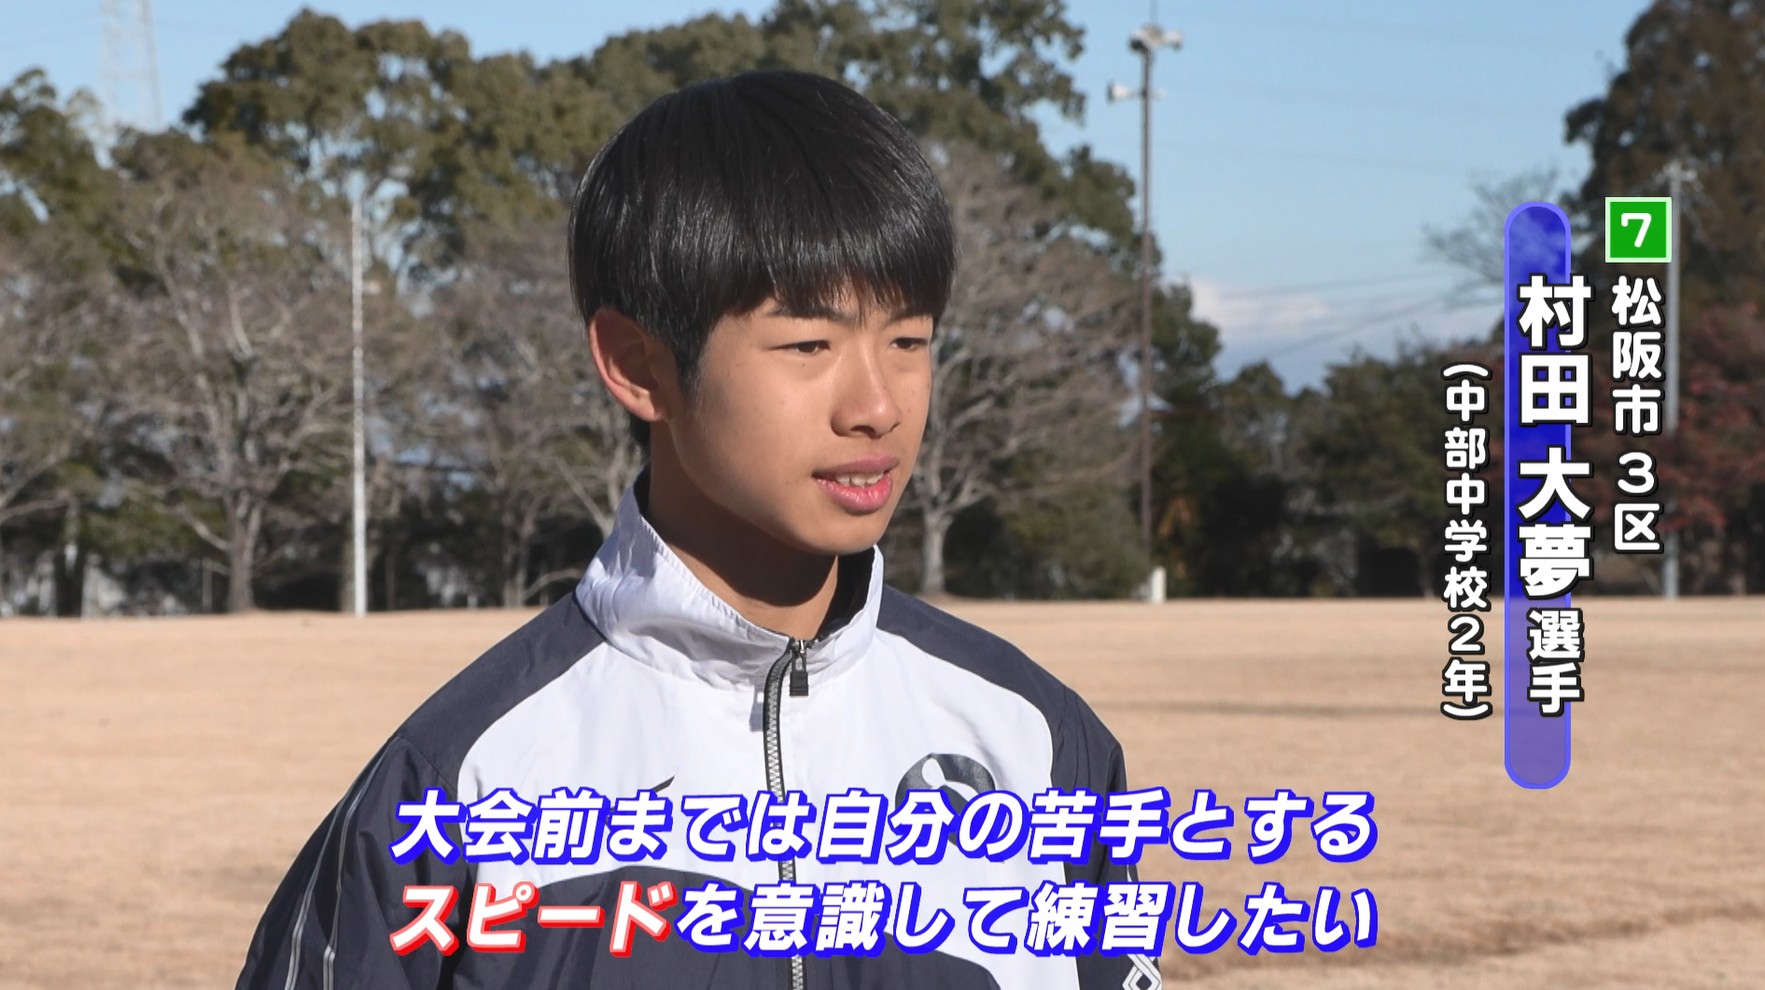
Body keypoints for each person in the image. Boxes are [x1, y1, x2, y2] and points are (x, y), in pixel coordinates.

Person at [236, 68, 1156, 990]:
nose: (877, 406)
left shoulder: (1038, 743)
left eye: (908, 340)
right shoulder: (458, 785)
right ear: (640, 365)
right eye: (809, 345)